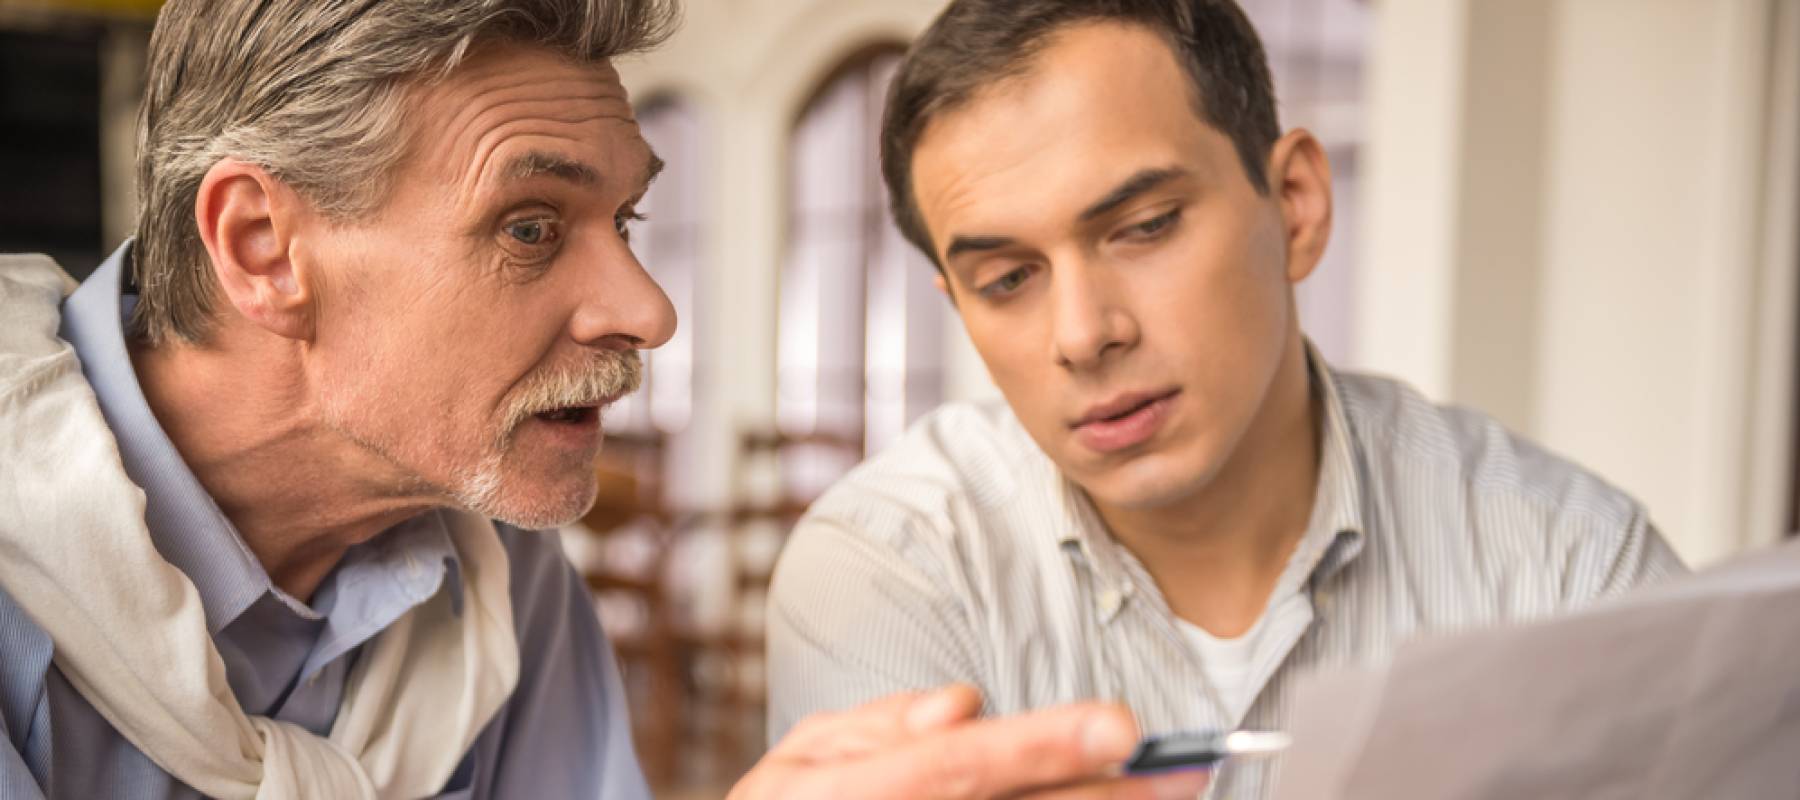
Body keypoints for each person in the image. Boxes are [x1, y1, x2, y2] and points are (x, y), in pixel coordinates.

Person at [0, 1, 1207, 798]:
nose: (647, 307)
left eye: (622, 220)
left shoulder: (500, 583)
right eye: (532, 225)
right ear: (263, 246)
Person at [765, 1, 1687, 797]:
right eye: (1008, 280)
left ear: (1294, 205)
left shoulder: (1575, 571)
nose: (1083, 335)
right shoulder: (887, 569)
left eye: (1145, 227)